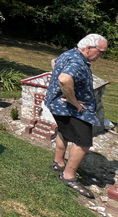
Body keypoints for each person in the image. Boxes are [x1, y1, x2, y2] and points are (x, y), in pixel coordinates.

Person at [45, 33, 108, 199]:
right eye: (101, 52)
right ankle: (68, 176)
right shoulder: (78, 62)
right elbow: (65, 79)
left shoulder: (70, 53)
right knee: (84, 142)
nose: (102, 56)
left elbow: (54, 62)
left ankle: (58, 162)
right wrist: (73, 101)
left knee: (64, 132)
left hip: (56, 104)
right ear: (88, 49)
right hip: (71, 108)